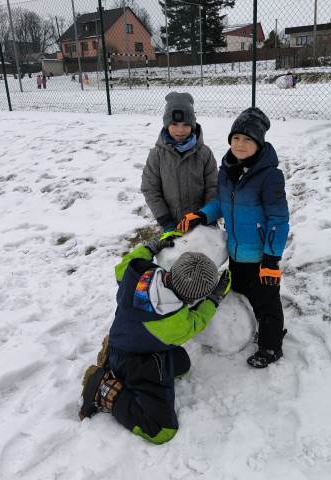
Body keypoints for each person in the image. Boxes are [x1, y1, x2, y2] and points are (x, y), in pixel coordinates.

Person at [79, 237, 232, 444]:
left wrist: (150, 248)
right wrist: (214, 299)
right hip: (136, 362)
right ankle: (103, 388)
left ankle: (112, 357)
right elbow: (197, 322)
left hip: (124, 338)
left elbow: (123, 265)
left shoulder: (140, 272)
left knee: (182, 364)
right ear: (192, 298)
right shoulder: (174, 323)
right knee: (161, 430)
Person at [177, 107, 290, 369]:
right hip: (236, 252)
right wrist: (201, 215)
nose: (240, 144)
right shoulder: (227, 170)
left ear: (259, 143)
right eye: (236, 138)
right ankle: (250, 327)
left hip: (260, 256)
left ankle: (271, 345)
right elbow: (221, 203)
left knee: (267, 302)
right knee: (241, 293)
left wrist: (271, 260)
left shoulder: (270, 177)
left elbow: (278, 220)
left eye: (248, 139)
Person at [141, 92, 218, 233]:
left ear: (193, 125)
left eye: (186, 124)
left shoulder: (204, 154)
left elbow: (213, 188)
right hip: (171, 223)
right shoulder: (157, 155)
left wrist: (206, 216)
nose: (180, 130)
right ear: (166, 125)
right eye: (174, 124)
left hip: (201, 223)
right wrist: (166, 220)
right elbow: (150, 189)